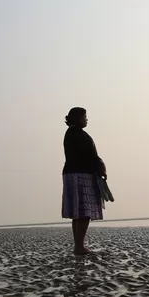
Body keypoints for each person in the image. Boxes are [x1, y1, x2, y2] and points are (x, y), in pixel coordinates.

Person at [62, 107, 107, 255]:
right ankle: (79, 247)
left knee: (78, 212)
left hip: (72, 173)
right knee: (83, 211)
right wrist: (100, 166)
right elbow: (89, 155)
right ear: (77, 118)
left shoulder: (71, 134)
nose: (86, 119)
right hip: (81, 174)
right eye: (84, 116)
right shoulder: (77, 135)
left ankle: (78, 246)